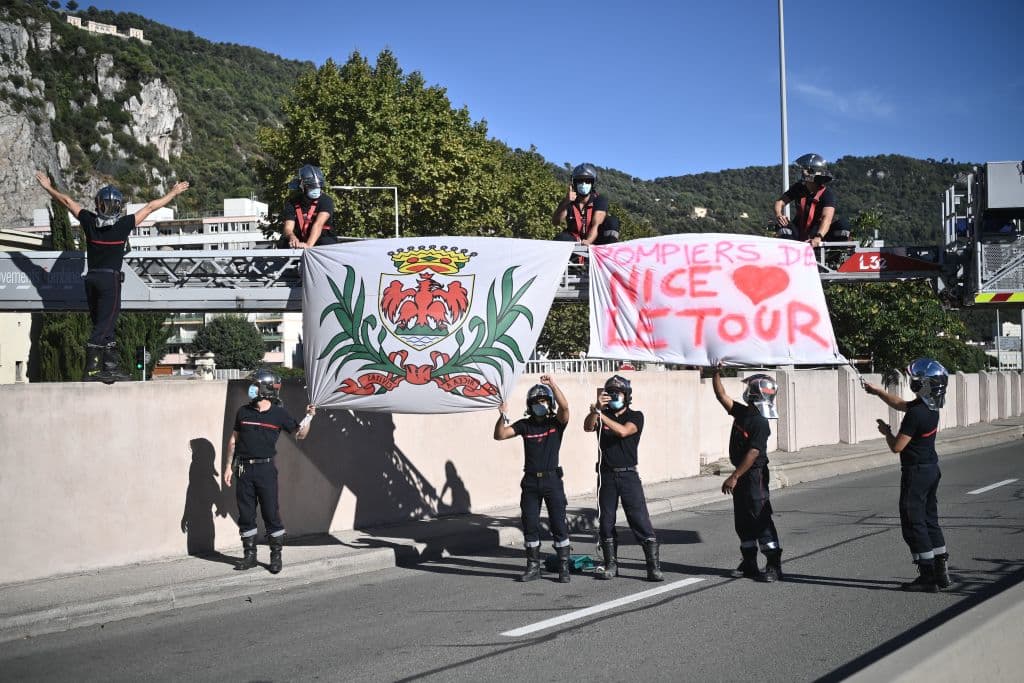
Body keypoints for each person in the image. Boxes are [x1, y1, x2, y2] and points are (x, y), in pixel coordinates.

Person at [35, 171, 189, 382]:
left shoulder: (88, 221)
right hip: (110, 280)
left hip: (91, 280)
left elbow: (67, 201)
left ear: (97, 205)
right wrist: (172, 192)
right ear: (118, 206)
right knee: (105, 324)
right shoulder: (123, 225)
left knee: (103, 323)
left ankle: (110, 367)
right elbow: (152, 206)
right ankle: (91, 368)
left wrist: (48, 187)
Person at [864, 359, 951, 592]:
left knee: (914, 522)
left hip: (916, 472)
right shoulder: (930, 408)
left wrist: (887, 432)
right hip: (932, 468)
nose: (914, 383)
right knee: (930, 518)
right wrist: (878, 392)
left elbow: (897, 447)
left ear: (926, 384)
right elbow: (901, 404)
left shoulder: (916, 415)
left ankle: (927, 576)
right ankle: (941, 572)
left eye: (918, 380)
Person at [224, 368, 315, 574]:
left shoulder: (279, 413)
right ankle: (250, 556)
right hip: (243, 469)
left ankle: (276, 556)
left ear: (265, 389)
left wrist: (309, 417)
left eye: (254, 386)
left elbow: (299, 434)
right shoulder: (243, 412)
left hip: (265, 469)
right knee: (246, 514)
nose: (251, 390)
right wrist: (228, 467)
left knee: (270, 513)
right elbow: (233, 441)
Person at [584, 375, 664, 582]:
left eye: (617, 393)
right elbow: (587, 426)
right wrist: (595, 411)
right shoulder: (602, 414)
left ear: (627, 396)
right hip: (606, 475)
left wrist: (603, 416)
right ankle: (611, 564)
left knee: (639, 519)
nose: (613, 396)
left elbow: (623, 431)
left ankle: (653, 567)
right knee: (606, 521)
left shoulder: (636, 416)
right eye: (610, 393)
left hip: (628, 474)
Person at [494, 375, 573, 582]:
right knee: (529, 523)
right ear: (530, 405)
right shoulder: (525, 425)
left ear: (549, 404)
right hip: (530, 482)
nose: (540, 405)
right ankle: (533, 567)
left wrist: (552, 385)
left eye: (543, 401)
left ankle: (564, 566)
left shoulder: (555, 424)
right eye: (536, 402)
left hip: (552, 480)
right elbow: (500, 435)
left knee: (558, 523)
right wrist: (502, 415)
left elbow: (565, 408)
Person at [711, 367, 784, 582]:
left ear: (753, 393)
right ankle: (749, 562)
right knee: (742, 519)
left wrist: (734, 476)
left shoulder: (760, 422)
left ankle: (773, 564)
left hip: (754, 475)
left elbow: (754, 452)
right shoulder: (743, 413)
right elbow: (721, 396)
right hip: (743, 475)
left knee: (759, 516)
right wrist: (715, 373)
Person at [773, 153, 850, 246]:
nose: (802, 172)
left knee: (843, 224)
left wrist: (818, 237)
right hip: (798, 232)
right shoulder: (798, 188)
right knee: (782, 225)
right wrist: (779, 215)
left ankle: (834, 257)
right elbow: (780, 202)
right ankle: (790, 255)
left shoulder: (827, 194)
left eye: (805, 170)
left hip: (819, 235)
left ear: (812, 173)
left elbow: (827, 218)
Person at [552, 163, 609, 245]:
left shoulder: (600, 200)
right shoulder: (568, 201)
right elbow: (555, 222)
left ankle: (608, 252)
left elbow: (596, 225)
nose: (584, 184)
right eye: (580, 181)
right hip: (575, 239)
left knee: (612, 222)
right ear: (574, 183)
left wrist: (588, 241)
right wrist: (566, 202)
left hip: (594, 240)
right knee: (561, 238)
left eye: (588, 181)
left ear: (593, 183)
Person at [282, 164, 338, 248]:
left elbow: (319, 224)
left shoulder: (326, 201)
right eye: (312, 186)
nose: (316, 189)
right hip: (300, 239)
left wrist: (308, 245)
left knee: (326, 242)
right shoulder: (292, 202)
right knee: (283, 242)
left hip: (322, 238)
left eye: (318, 186)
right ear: (302, 186)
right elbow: (288, 228)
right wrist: (292, 237)